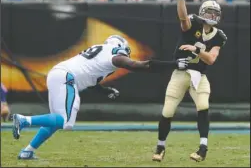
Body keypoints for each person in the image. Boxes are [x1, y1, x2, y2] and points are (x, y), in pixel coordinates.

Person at [12, 35, 189, 160]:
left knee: (56, 121)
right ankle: (23, 120)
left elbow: (89, 78)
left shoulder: (98, 53)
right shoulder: (114, 54)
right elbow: (138, 65)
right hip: (66, 78)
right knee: (65, 121)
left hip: (59, 75)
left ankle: (27, 151)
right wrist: (173, 65)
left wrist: (105, 91)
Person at [152, 0, 227, 162]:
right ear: (202, 13)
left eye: (215, 13)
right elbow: (183, 18)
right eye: (209, 12)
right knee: (168, 110)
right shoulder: (193, 23)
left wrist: (197, 50)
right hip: (180, 72)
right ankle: (160, 147)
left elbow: (211, 59)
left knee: (203, 106)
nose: (212, 15)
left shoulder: (219, 36)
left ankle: (203, 148)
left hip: (199, 75)